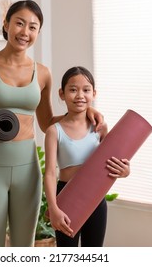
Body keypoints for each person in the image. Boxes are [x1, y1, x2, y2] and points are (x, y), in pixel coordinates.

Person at [0, 0, 105, 247]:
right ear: (6, 24)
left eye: (33, 27)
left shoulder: (43, 73)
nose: (25, 32)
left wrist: (85, 111)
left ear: (38, 32)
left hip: (28, 170)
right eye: (20, 23)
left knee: (24, 246)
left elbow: (47, 122)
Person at [44, 66, 130, 247]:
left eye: (86, 90)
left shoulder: (100, 128)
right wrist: (54, 208)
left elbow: (116, 160)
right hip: (66, 197)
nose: (80, 95)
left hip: (96, 199)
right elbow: (51, 173)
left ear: (94, 93)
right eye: (73, 90)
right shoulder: (54, 131)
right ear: (61, 93)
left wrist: (125, 171)